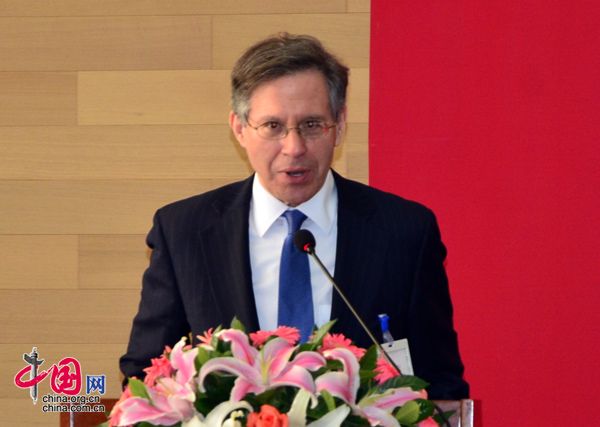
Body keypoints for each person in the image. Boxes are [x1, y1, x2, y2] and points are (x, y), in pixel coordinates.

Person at [120, 33, 469, 399]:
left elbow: (439, 384)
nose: (294, 147)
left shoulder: (404, 232)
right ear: (240, 128)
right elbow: (146, 376)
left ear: (339, 125)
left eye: (312, 125)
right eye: (273, 126)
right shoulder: (184, 233)